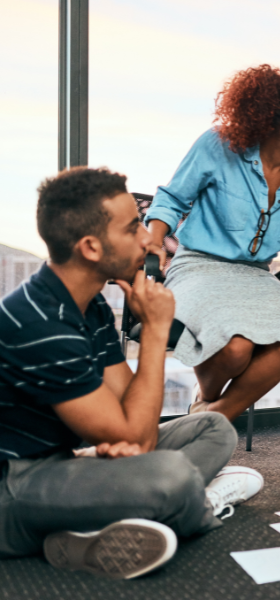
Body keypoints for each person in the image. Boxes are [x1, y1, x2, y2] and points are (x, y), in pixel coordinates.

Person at [0, 168, 262, 579]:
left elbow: (133, 418)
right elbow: (135, 438)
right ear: (90, 246)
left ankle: (111, 519)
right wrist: (155, 333)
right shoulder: (39, 323)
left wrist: (120, 444)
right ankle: (200, 505)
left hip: (60, 462)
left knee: (213, 428)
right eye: (132, 227)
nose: (148, 238)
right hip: (12, 491)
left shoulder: (90, 305)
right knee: (171, 475)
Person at [144, 64, 280, 420]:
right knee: (236, 348)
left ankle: (208, 417)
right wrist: (155, 240)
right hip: (199, 266)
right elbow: (172, 199)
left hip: (256, 276)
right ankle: (206, 404)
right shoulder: (218, 145)